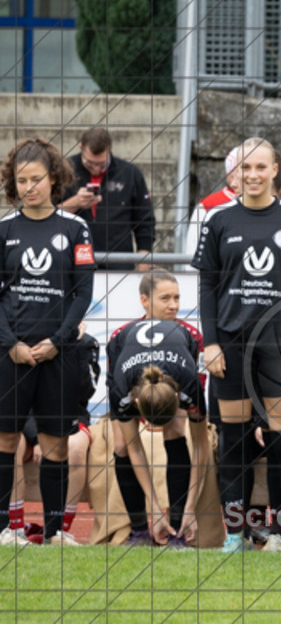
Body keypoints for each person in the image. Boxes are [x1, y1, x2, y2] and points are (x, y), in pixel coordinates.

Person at [193, 137, 281, 554]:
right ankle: (236, 533)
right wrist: (210, 343)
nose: (253, 175)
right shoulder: (218, 219)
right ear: (235, 173)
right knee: (236, 441)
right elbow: (207, 285)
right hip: (231, 347)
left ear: (276, 169)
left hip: (280, 347)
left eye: (261, 167)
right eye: (245, 169)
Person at [0, 139, 96, 546]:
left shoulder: (75, 228)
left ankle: (56, 532)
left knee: (56, 445)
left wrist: (58, 341)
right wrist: (10, 343)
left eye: (36, 179)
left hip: (59, 354)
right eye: (20, 180)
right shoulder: (4, 228)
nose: (28, 187)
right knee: (6, 440)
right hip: (11, 354)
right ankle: (6, 529)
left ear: (54, 178)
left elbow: (83, 293)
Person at [107, 315, 209, 547]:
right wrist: (155, 510)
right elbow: (135, 448)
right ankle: (139, 531)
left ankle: (178, 530)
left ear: (177, 397)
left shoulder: (189, 384)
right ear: (135, 403)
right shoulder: (122, 389)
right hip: (122, 347)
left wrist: (190, 510)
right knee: (122, 445)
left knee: (175, 433)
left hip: (180, 345)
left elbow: (201, 445)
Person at [60, 127, 155, 271]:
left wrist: (143, 262)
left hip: (118, 264)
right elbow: (46, 214)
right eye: (90, 163)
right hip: (73, 263)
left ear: (110, 150)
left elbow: (145, 221)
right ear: (81, 148)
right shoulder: (64, 171)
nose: (96, 168)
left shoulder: (130, 173)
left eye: (101, 163)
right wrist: (75, 203)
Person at [185, 147, 241, 257]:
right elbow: (193, 253)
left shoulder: (271, 205)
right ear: (230, 175)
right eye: (245, 168)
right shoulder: (207, 206)